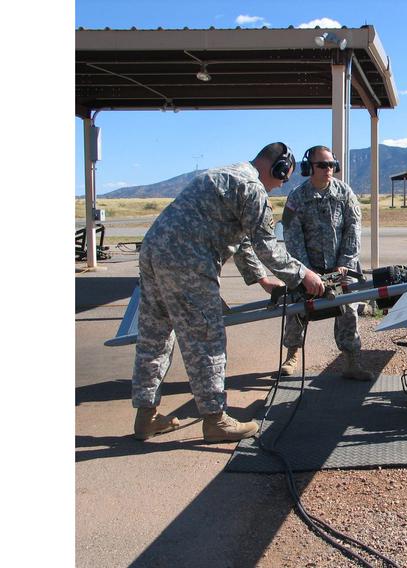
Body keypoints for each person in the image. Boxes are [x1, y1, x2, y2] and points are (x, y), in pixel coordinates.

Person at [131, 142, 326, 442]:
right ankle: (215, 421)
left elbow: (243, 241)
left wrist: (262, 280)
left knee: (155, 336)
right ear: (277, 167)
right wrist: (303, 276)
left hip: (154, 251)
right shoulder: (253, 188)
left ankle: (146, 417)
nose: (279, 186)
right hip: (189, 260)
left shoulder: (228, 174)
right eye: (282, 179)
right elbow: (267, 246)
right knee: (206, 338)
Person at [279, 145, 374, 381]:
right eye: (322, 165)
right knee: (295, 309)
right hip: (306, 268)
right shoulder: (297, 198)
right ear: (309, 167)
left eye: (331, 164)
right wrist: (305, 272)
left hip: (340, 267)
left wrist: (344, 263)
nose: (328, 169)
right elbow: (292, 237)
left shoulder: (345, 193)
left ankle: (352, 360)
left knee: (349, 309)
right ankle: (292, 354)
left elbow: (353, 230)